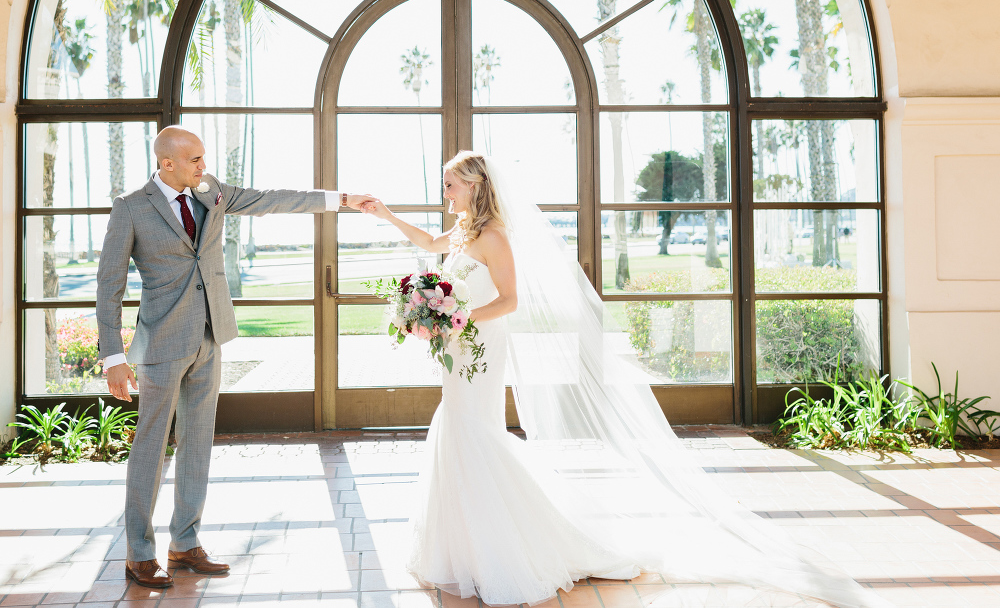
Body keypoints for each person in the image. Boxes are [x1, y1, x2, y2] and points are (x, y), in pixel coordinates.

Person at [361, 151, 894, 608]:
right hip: (461, 347)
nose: (445, 190)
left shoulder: (495, 237)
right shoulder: (462, 232)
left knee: (473, 433)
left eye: (451, 183)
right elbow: (431, 243)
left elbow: (510, 301)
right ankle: (465, 546)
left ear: (473, 185)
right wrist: (383, 215)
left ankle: (512, 546)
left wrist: (458, 319)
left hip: (479, 346)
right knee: (458, 430)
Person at [97, 126, 373, 589]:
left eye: (203, 159)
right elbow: (109, 287)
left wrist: (342, 199)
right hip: (161, 345)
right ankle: (138, 554)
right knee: (150, 448)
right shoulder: (130, 208)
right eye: (195, 160)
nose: (203, 167)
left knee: (198, 443)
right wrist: (112, 358)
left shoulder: (210, 192)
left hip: (210, 337)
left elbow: (270, 199)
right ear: (168, 164)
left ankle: (185, 543)